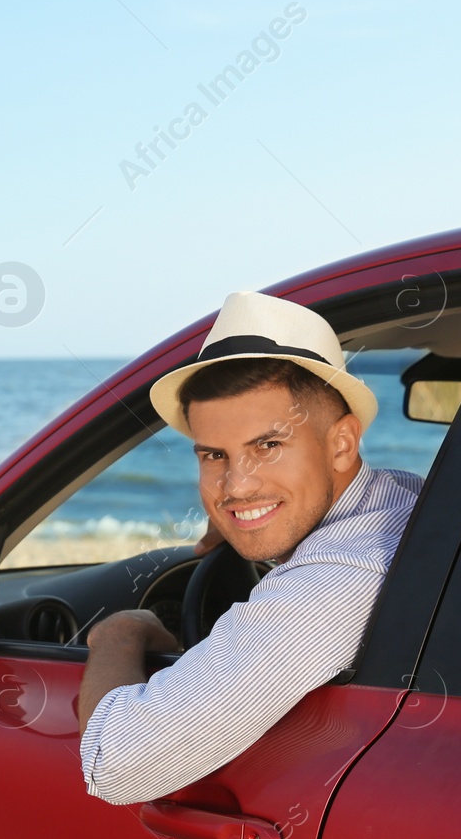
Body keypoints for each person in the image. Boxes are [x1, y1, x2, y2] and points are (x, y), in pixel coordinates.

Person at [77, 290, 422, 805]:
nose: (236, 486)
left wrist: (120, 635)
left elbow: (115, 763)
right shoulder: (405, 496)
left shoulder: (338, 577)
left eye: (268, 446)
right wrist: (259, 524)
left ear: (342, 444)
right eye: (215, 455)